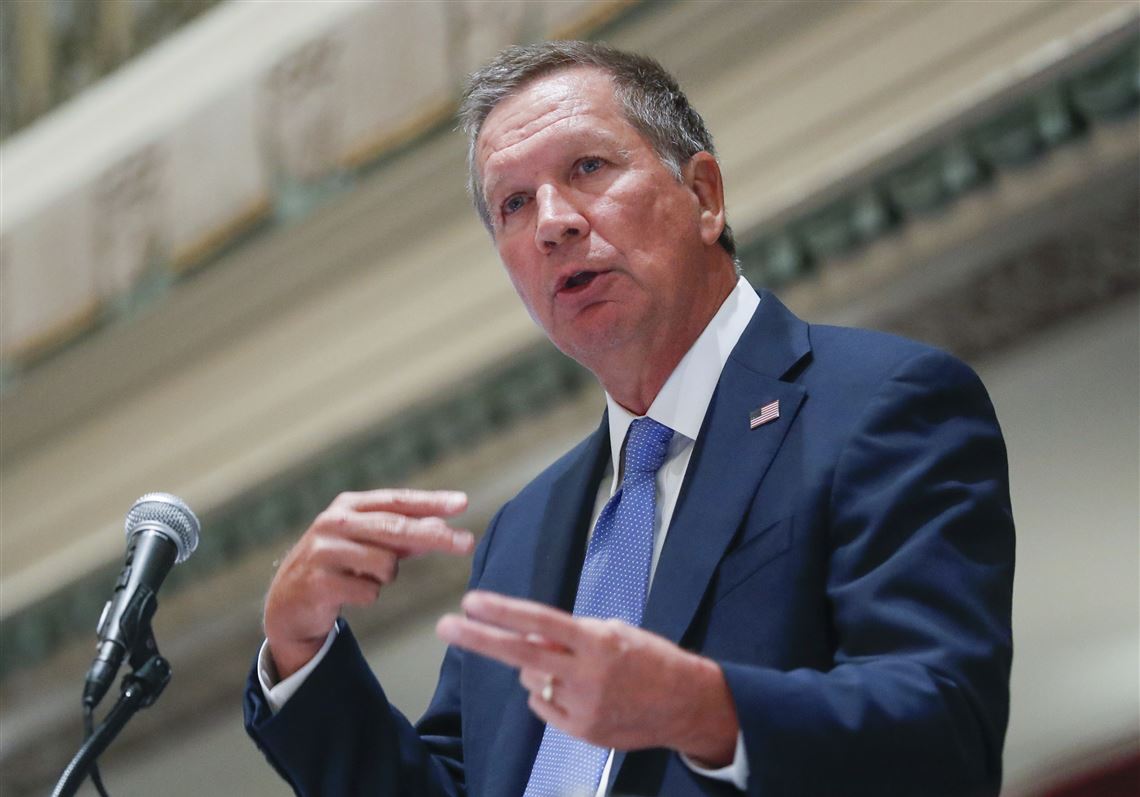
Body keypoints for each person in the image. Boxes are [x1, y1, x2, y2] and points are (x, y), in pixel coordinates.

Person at [244, 41, 1015, 797]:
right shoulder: (523, 531)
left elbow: (945, 732)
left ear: (704, 195)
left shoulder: (880, 401)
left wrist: (699, 707)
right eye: (514, 203)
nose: (552, 222)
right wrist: (298, 649)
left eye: (588, 167)